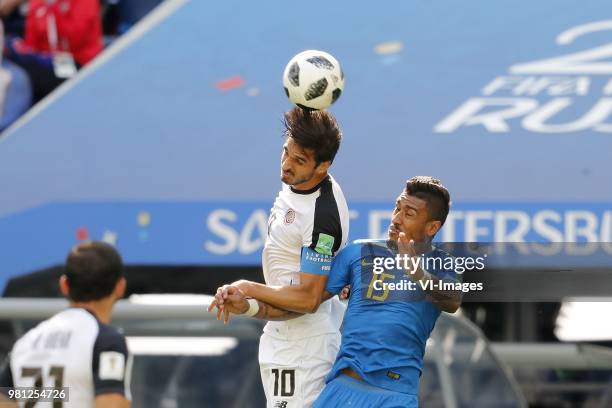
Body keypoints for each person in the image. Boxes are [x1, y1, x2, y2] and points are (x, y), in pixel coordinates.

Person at [213, 176, 461, 407]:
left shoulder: (444, 263)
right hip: (344, 389)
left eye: (409, 213)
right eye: (397, 207)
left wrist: (416, 272)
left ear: (432, 227)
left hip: (394, 396)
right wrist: (249, 303)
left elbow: (452, 300)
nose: (396, 218)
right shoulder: (358, 253)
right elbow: (304, 302)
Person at [210, 106, 350, 407]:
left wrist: (249, 287)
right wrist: (246, 306)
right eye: (285, 152)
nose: (287, 165)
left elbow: (308, 299)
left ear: (323, 166)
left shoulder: (323, 215)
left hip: (307, 346)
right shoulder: (296, 182)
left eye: (299, 161)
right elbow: (290, 299)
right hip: (284, 336)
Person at [0, 241, 131, 408]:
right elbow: (111, 403)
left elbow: (6, 401)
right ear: (120, 287)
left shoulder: (26, 343)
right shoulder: (107, 341)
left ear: (64, 285)